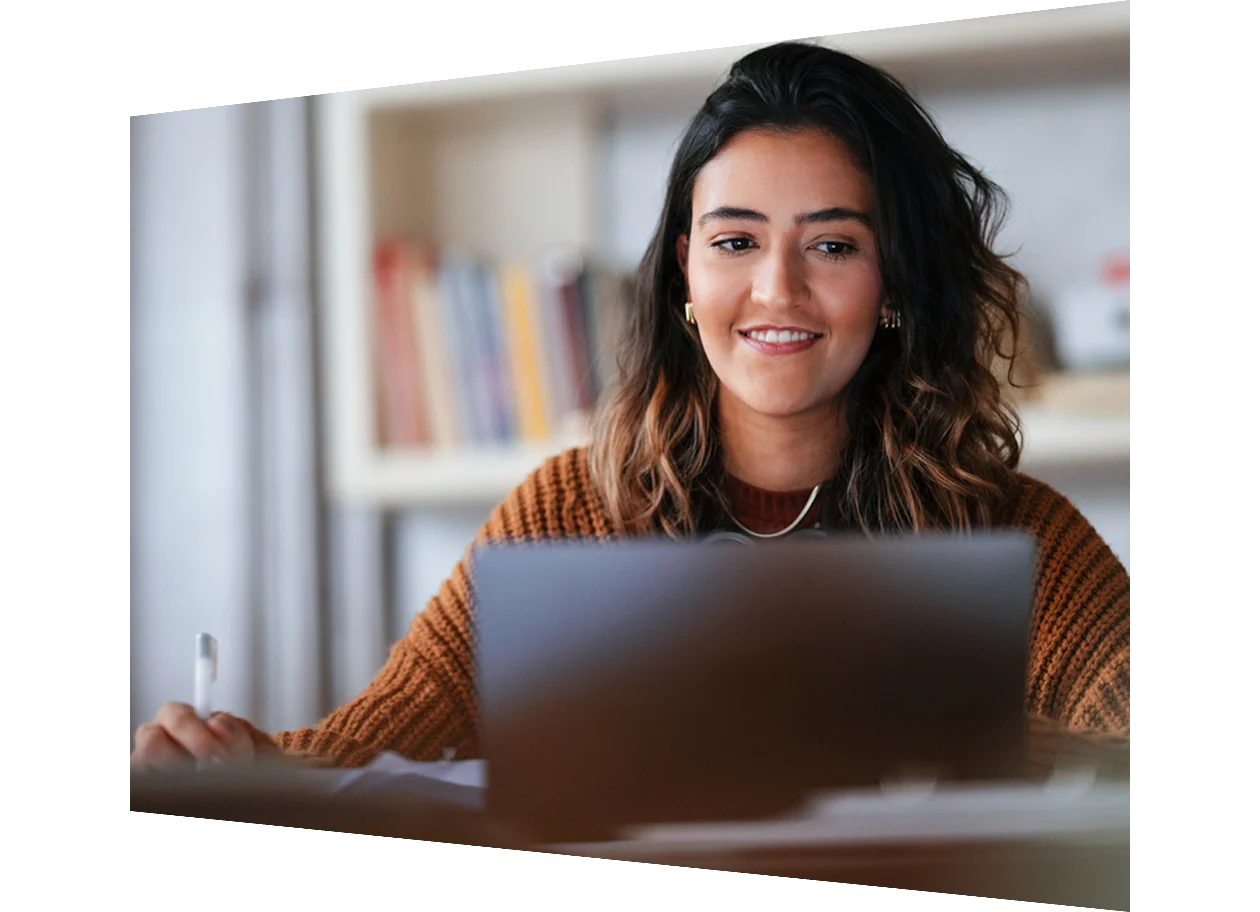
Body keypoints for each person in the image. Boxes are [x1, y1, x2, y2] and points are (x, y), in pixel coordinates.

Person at [130, 42, 1131, 773]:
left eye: (832, 245)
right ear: (684, 284)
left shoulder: (1013, 531)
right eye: (735, 242)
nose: (776, 290)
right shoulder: (572, 513)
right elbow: (374, 747)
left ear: (896, 280)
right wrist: (241, 761)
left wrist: (906, 728)